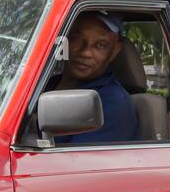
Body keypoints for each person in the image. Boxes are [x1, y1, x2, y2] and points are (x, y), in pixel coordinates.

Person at [54, 12, 138, 145]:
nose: (85, 52)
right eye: (77, 38)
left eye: (100, 45)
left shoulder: (112, 104)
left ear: (114, 51)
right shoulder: (44, 84)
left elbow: (78, 162)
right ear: (64, 41)